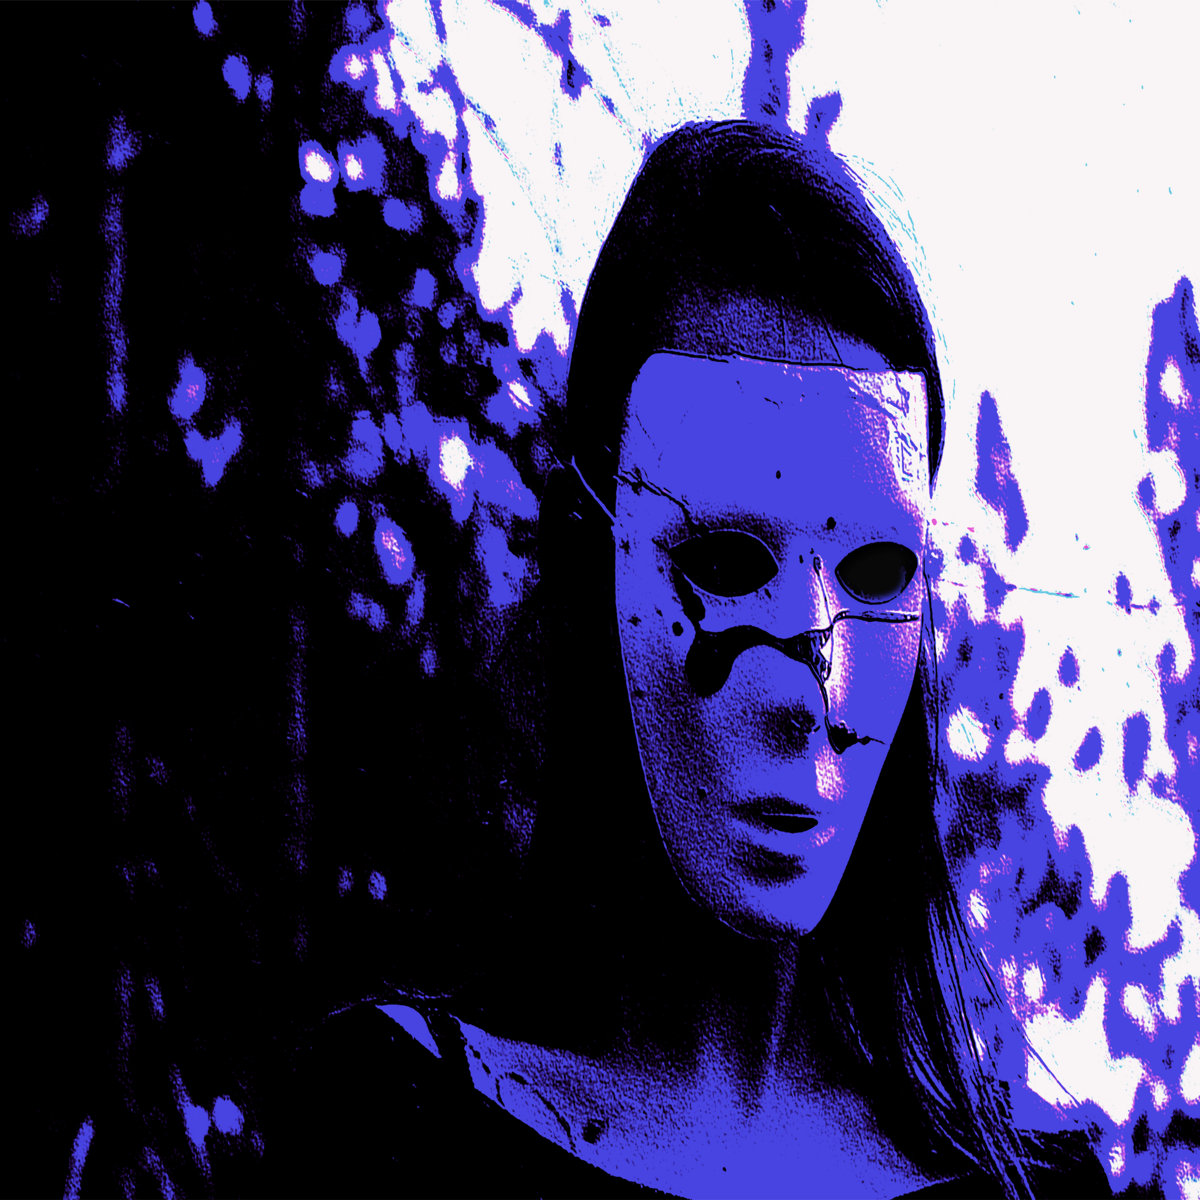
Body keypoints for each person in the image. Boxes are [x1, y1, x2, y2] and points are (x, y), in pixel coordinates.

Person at [266, 121, 1109, 1199]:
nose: (810, 689)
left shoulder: (1032, 1192)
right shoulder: (398, 1132)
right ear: (594, 569)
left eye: (874, 572)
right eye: (724, 560)